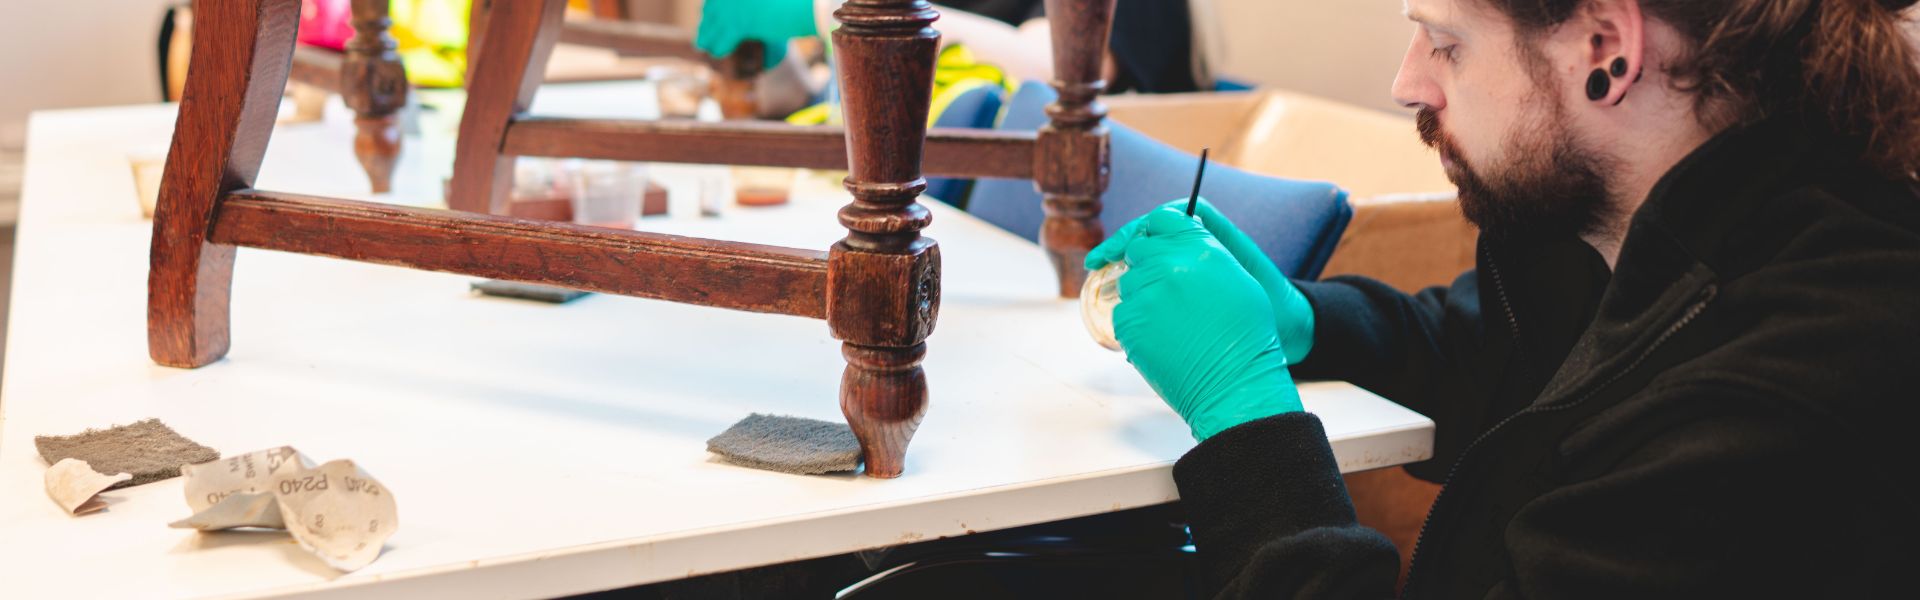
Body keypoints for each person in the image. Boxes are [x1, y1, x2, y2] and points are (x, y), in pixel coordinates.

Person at [1085, 0, 1920, 597]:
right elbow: (1495, 363)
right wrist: (1307, 323)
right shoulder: (1622, 227)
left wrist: (1245, 418)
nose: (1409, 83)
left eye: (1444, 43)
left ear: (1604, 50)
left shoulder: (1788, 393)